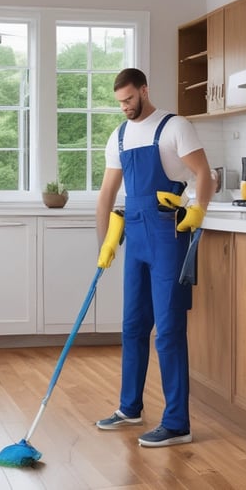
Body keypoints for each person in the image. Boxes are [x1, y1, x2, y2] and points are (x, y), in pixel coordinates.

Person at [95, 68, 213, 447]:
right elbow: (107, 194)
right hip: (137, 237)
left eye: (129, 99)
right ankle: (130, 408)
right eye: (120, 102)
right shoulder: (120, 136)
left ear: (145, 90)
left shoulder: (175, 126)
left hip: (168, 234)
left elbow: (204, 175)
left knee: (168, 330)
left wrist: (198, 209)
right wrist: (106, 243)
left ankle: (177, 422)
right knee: (132, 327)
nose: (125, 107)